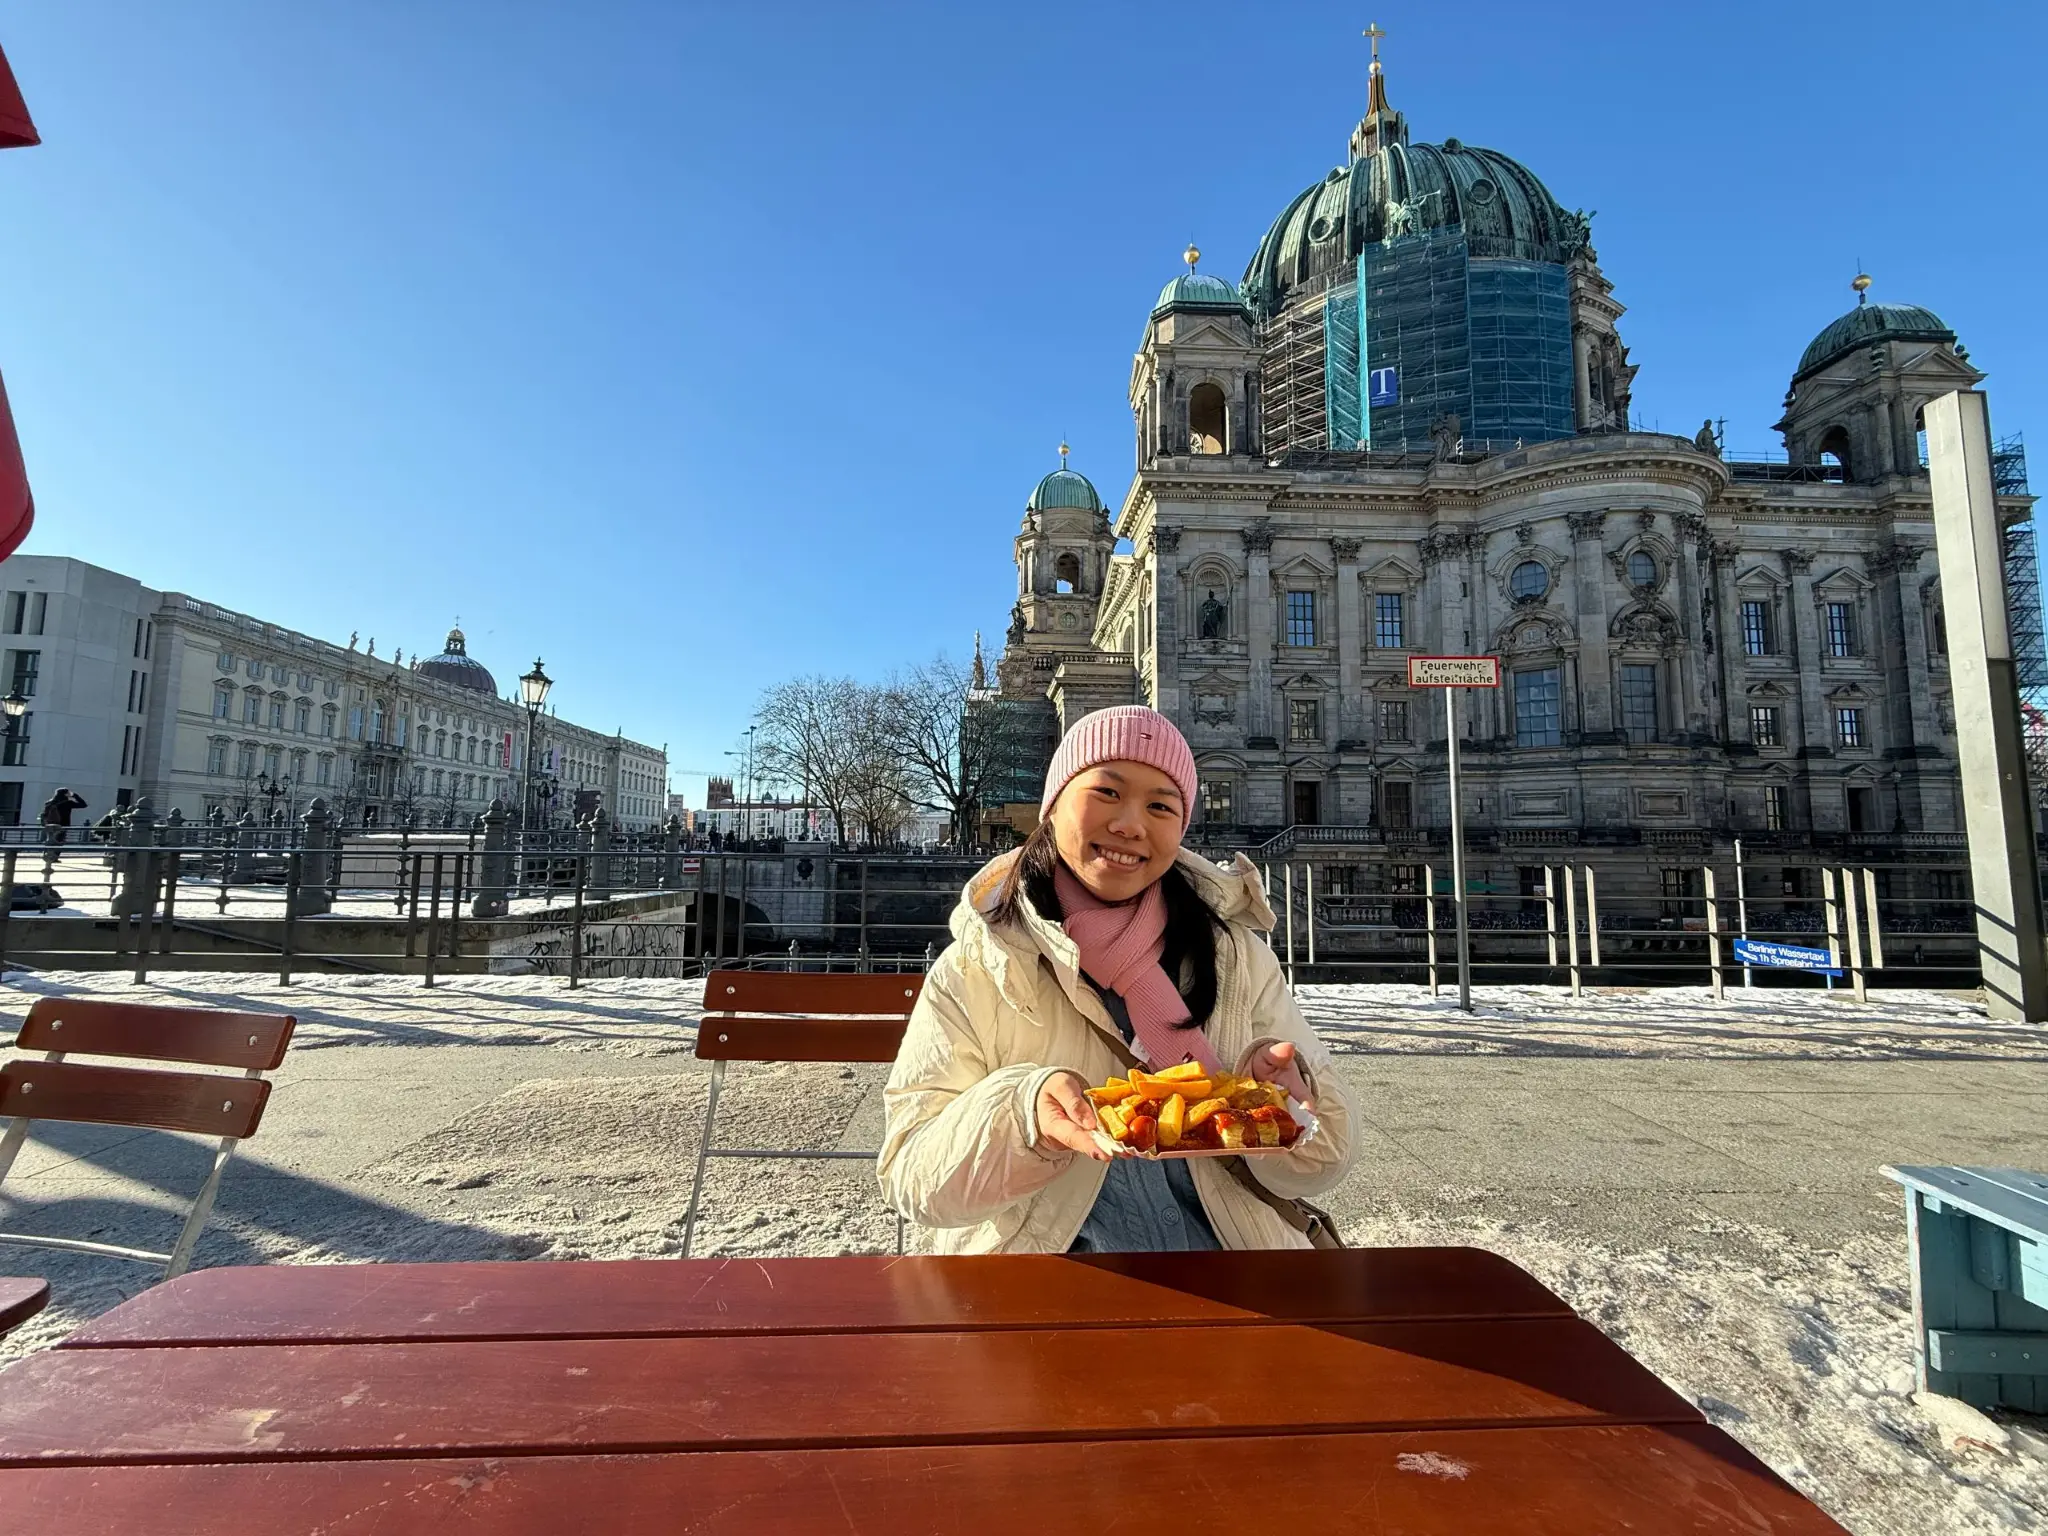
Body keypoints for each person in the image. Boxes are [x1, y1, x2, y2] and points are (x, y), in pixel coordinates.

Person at [879, 705, 1354, 1253]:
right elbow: (910, 1179)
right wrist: (1022, 1116)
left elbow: (1327, 1163)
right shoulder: (978, 965)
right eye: (1107, 792)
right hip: (1052, 1294)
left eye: (1160, 805)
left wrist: (1287, 1114)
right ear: (1052, 807)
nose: (1131, 824)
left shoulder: (1236, 956)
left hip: (1239, 1276)